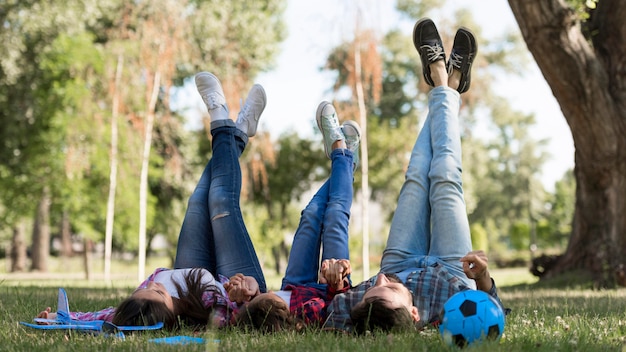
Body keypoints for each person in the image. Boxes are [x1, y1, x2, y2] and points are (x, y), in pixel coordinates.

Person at [37, 71, 269, 330]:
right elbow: (244, 316)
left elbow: (96, 318)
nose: (153, 285)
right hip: (242, 285)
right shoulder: (211, 309)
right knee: (220, 201)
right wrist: (246, 290)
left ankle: (235, 134)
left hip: (191, 275)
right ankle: (222, 120)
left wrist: (57, 319)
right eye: (158, 293)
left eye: (142, 289)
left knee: (197, 201)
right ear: (170, 315)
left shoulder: (138, 308)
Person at [324, 18, 507, 334]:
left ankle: (445, 84)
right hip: (453, 266)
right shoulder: (450, 306)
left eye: (370, 289)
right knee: (446, 175)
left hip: (399, 259)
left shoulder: (354, 309)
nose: (379, 280)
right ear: (414, 312)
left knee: (417, 176)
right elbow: (492, 315)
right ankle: (445, 82)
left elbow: (332, 317)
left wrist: (335, 279)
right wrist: (482, 278)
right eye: (390, 290)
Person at [229, 101, 362, 332]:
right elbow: (338, 309)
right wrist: (337, 281)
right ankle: (341, 150)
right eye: (269, 296)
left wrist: (247, 289)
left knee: (310, 214)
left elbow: (232, 313)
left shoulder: (251, 316)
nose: (267, 293)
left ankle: (346, 160)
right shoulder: (306, 317)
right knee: (335, 216)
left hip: (295, 282)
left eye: (263, 295)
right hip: (330, 281)